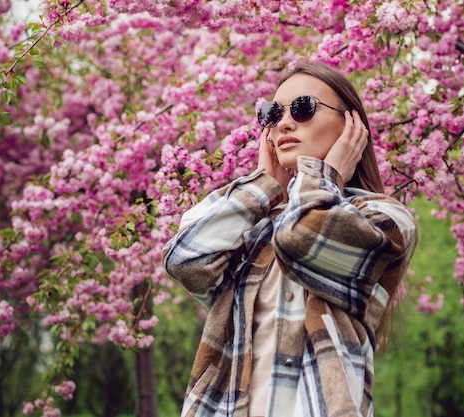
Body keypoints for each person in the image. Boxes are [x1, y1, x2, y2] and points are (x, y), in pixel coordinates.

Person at [162, 62, 416, 417]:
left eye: (303, 108)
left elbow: (303, 238)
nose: (283, 123)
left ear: (350, 127)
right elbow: (184, 260)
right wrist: (264, 185)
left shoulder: (383, 220)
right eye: (272, 113)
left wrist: (326, 174)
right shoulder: (251, 224)